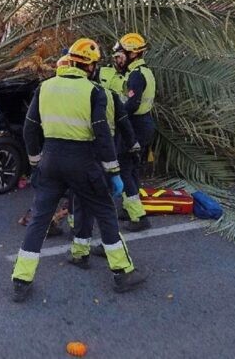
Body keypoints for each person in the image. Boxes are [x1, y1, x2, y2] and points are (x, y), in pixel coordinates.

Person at [11, 38, 147, 302]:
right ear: (90, 66)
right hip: (83, 162)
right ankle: (122, 272)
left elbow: (29, 129)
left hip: (51, 160)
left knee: (39, 219)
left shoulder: (45, 87)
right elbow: (101, 134)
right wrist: (114, 172)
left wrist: (36, 163)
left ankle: (21, 279)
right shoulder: (94, 92)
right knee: (106, 213)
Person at [112, 33, 155, 231]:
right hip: (142, 124)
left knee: (125, 170)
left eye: (121, 53)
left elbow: (132, 104)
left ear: (132, 53)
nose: (118, 58)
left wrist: (115, 114)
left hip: (134, 126)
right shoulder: (143, 71)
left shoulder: (136, 75)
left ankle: (138, 217)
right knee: (132, 169)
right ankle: (129, 209)